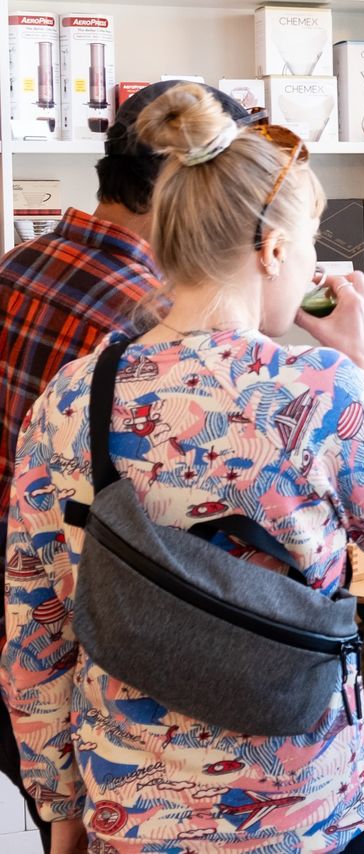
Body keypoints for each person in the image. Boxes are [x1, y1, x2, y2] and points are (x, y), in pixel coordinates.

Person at [2, 83, 364, 853]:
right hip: (308, 815)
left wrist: (61, 808)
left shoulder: (73, 397)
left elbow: (35, 624)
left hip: (133, 818)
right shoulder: (320, 391)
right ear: (273, 249)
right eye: (309, 244)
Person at [0, 79, 248, 853]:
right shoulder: (151, 322)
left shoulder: (16, 267)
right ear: (184, 187)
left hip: (25, 647)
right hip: (109, 678)